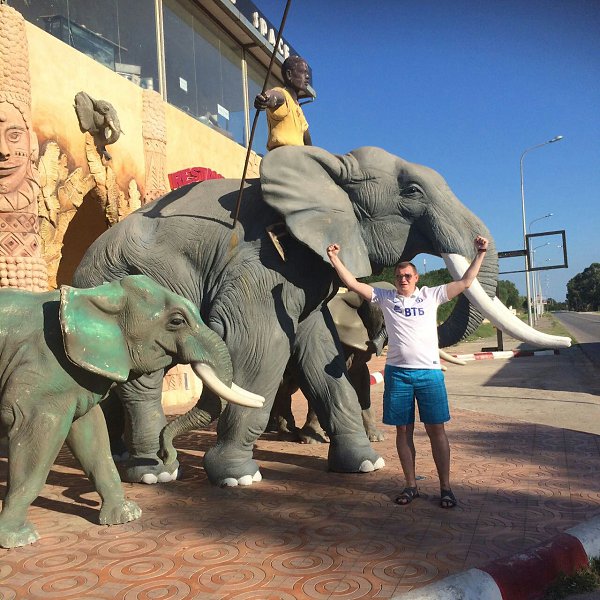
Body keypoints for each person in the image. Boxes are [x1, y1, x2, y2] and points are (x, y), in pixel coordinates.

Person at [326, 236, 489, 509]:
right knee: (403, 431)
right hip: (398, 375)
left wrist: (480, 254)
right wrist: (334, 258)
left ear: (416, 278)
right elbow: (353, 284)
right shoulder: (386, 297)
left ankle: (446, 488)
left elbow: (465, 282)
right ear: (395, 279)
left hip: (430, 374)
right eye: (399, 276)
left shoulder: (431, 295)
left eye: (407, 276)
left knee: (437, 430)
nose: (403, 279)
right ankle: (410, 485)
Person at [254, 55, 312, 151]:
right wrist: (264, 99)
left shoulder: (297, 107)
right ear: (289, 74)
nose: (307, 77)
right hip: (283, 154)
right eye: (302, 72)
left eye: (307, 73)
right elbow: (273, 96)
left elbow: (308, 142)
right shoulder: (282, 94)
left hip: (298, 156)